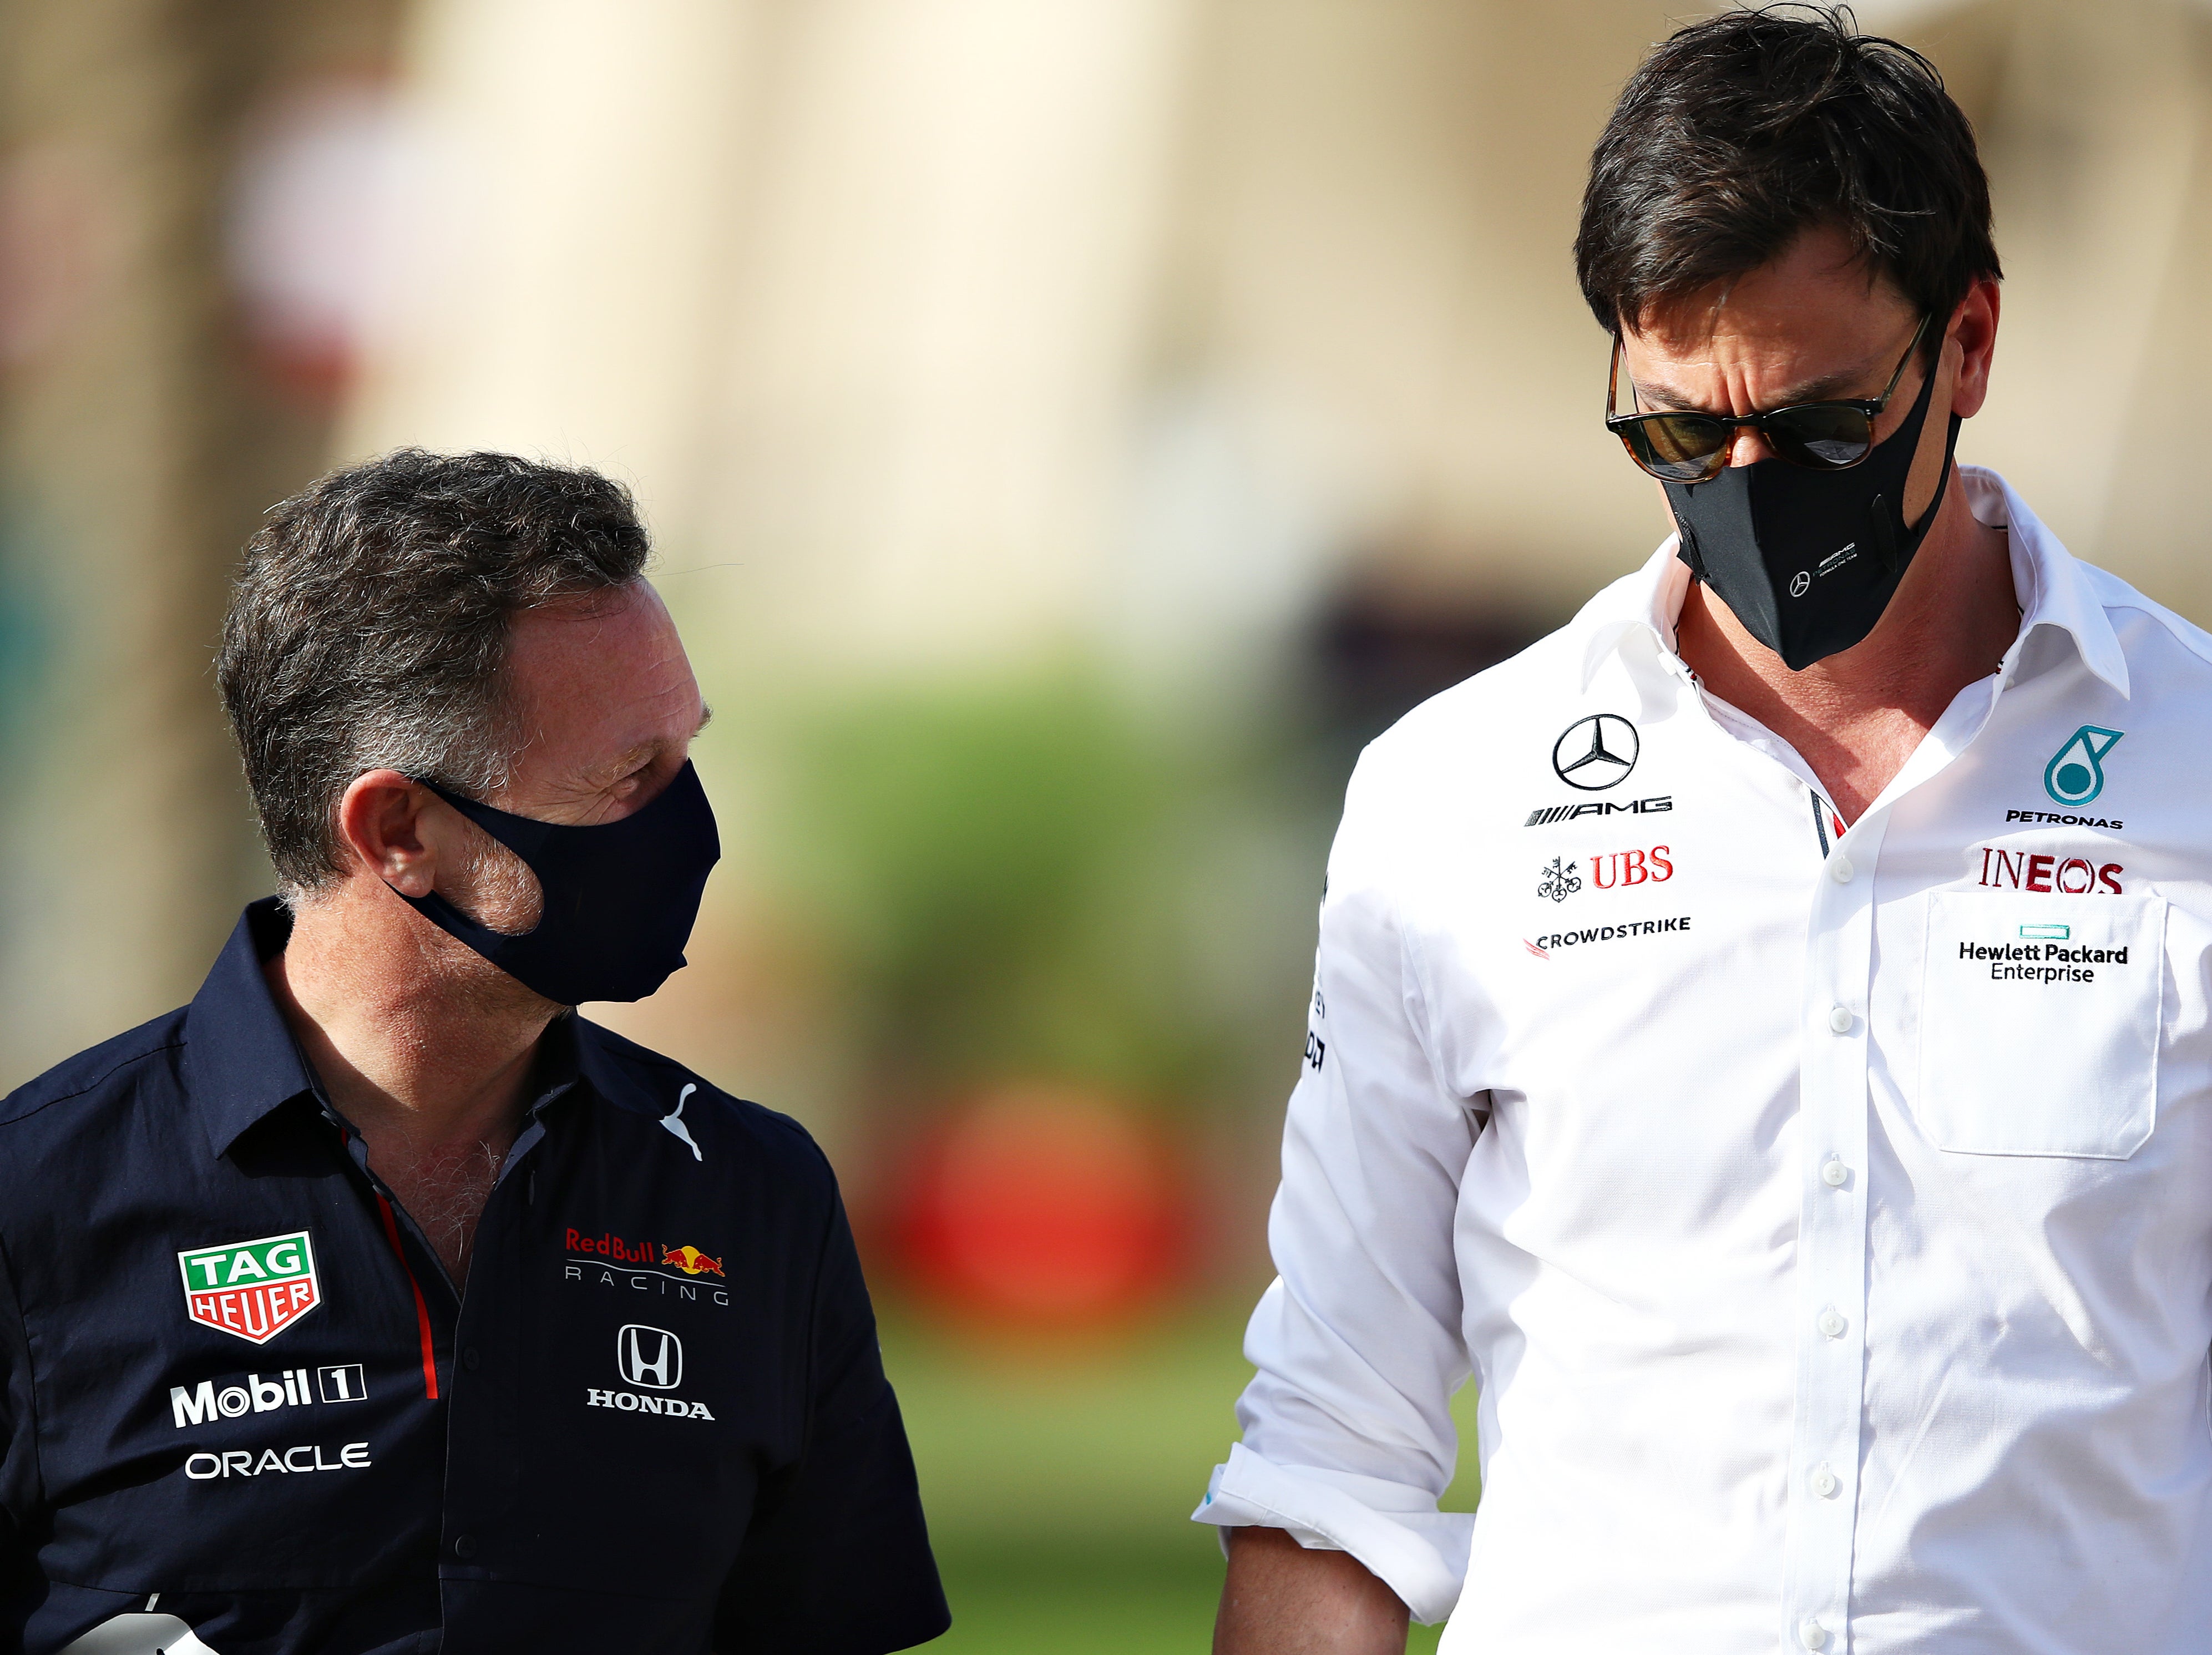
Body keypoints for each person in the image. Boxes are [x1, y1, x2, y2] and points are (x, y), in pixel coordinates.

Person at [1199, 7, 2212, 1652]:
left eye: (1814, 431)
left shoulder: (2196, 766)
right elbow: (1335, 1447)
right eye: (1675, 432)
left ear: (1965, 345)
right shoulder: (1448, 796)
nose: (1744, 482)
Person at [0, 452, 950, 1655]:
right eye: (626, 777)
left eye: (684, 753)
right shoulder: (35, 1207)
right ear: (399, 829)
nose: (691, 824)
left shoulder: (754, 1196)